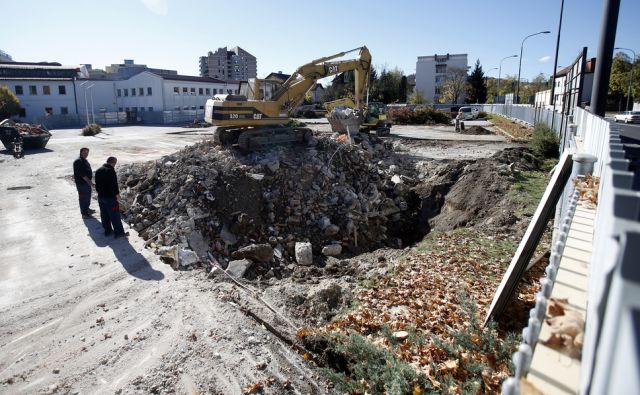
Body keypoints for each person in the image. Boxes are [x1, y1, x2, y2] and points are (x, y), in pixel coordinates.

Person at [95, 156, 128, 238]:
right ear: (113, 162)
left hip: (101, 197)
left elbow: (97, 184)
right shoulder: (110, 171)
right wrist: (118, 196)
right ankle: (119, 233)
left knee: (104, 215)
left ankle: (107, 231)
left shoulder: (98, 170)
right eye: (115, 163)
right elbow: (113, 185)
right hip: (110, 198)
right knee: (115, 216)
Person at [73, 147, 95, 218]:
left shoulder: (84, 160)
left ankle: (87, 209)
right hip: (81, 184)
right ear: (81, 152)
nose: (86, 154)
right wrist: (90, 183)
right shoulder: (78, 162)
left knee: (88, 197)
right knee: (83, 198)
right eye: (84, 152)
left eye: (87, 153)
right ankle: (84, 214)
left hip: (86, 183)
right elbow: (83, 175)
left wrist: (90, 182)